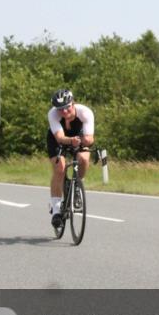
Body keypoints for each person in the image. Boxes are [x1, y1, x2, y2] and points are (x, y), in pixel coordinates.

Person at [46, 89, 95, 228]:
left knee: (83, 159)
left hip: (79, 136)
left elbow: (90, 138)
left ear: (73, 103)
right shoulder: (53, 114)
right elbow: (60, 138)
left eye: (67, 107)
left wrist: (86, 140)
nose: (64, 112)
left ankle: (78, 185)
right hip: (58, 139)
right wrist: (70, 141)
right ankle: (56, 210)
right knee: (59, 169)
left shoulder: (85, 112)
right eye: (60, 109)